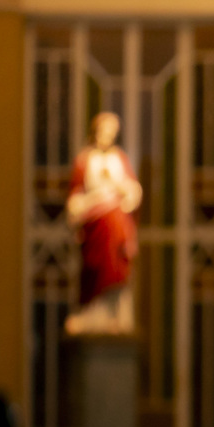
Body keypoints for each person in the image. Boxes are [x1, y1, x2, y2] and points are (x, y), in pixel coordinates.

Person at [65, 111, 142, 335]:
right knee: (94, 269)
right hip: (94, 224)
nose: (106, 136)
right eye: (103, 131)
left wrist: (120, 188)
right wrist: (83, 205)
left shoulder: (120, 158)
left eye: (111, 132)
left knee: (116, 268)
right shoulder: (85, 160)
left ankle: (115, 315)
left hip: (116, 223)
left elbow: (132, 191)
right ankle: (91, 315)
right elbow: (76, 195)